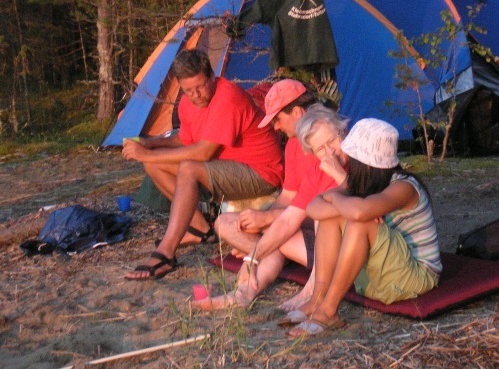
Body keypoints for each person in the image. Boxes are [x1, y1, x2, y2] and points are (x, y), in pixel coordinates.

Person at [123, 49, 284, 280]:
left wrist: (144, 155)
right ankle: (199, 229)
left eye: (200, 86)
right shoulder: (188, 103)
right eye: (188, 90)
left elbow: (203, 152)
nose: (196, 95)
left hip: (261, 173)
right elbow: (184, 139)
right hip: (229, 168)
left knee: (188, 167)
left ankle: (166, 253)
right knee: (155, 166)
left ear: (212, 77)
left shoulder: (227, 96)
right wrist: (151, 144)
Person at [283, 118, 442, 337]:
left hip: (416, 276)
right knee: (336, 217)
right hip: (385, 276)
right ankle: (317, 299)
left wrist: (339, 200)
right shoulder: (363, 184)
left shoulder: (403, 186)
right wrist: (346, 206)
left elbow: (358, 213)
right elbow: (313, 208)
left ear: (365, 162)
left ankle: (328, 311)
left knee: (360, 222)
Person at [194, 103, 349, 310]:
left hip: (351, 244)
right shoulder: (315, 169)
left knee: (320, 214)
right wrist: (252, 256)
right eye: (320, 149)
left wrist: (266, 222)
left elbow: (359, 200)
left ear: (343, 131)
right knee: (268, 231)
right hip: (318, 242)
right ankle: (243, 294)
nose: (330, 152)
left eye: (332, 140)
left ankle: (313, 290)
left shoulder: (360, 156)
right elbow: (288, 217)